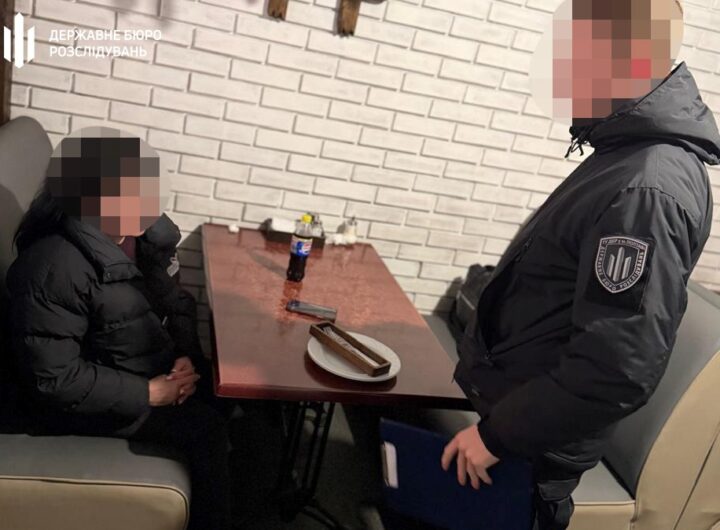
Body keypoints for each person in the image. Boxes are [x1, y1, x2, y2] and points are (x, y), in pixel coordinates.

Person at [441, 1, 720, 529]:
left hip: (529, 451)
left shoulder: (648, 186)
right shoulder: (624, 155)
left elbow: (617, 365)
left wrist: (497, 437)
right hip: (516, 419)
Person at [5, 128, 231, 530]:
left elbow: (175, 303)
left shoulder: (140, 237)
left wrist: (184, 355)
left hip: (137, 365)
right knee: (207, 430)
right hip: (77, 405)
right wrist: (151, 392)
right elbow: (54, 379)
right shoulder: (53, 266)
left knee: (221, 394)